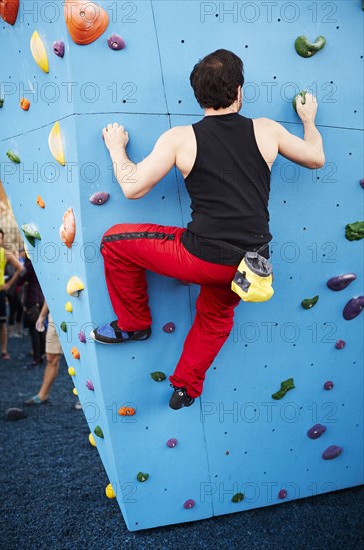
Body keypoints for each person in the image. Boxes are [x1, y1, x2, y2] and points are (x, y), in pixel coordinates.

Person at [91, 49, 325, 410]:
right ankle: (186, 386)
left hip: (200, 257)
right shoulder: (266, 129)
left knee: (114, 241)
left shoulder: (181, 138)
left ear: (198, 95)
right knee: (215, 317)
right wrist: (308, 120)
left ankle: (134, 323)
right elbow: (316, 157)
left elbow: (132, 187)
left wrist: (116, 148)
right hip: (252, 264)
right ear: (239, 91)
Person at [24, 301, 63, 405]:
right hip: (56, 314)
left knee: (82, 359)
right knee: (51, 357)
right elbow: (50, 290)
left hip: (80, 313)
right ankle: (43, 395)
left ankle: (87, 398)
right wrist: (42, 315)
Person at [0, 228, 24, 360]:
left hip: (0, 293)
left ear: (2, 240)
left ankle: (3, 351)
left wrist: (8, 284)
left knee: (2, 323)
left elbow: (20, 268)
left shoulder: (5, 253)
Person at [19, 252, 46, 368]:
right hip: (41, 299)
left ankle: (37, 358)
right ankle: (43, 354)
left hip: (32, 299)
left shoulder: (29, 266)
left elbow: (20, 280)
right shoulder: (41, 263)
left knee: (34, 330)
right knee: (41, 329)